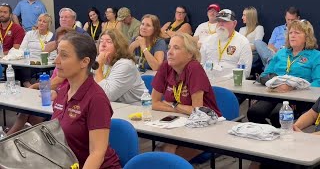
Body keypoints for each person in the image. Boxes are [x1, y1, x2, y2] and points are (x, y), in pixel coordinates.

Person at [51, 32, 121, 168]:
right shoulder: (63, 91)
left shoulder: (96, 99)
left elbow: (97, 153)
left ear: (84, 62)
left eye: (64, 55)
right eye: (57, 53)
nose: (56, 60)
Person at [151, 32, 221, 160]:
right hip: (179, 120)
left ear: (190, 54)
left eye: (176, 48)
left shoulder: (194, 68)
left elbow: (197, 111)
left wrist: (173, 104)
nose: (170, 52)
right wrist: (177, 108)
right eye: (169, 47)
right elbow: (155, 103)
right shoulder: (167, 65)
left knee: (167, 154)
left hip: (207, 125)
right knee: (159, 152)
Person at [247, 19, 320, 128]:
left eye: (297, 33)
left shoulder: (315, 56)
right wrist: (274, 84)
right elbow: (265, 74)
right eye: (290, 33)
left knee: (277, 115)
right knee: (254, 112)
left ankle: (280, 138)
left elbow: (318, 82)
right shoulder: (281, 53)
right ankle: (270, 135)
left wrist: (294, 88)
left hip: (297, 97)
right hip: (274, 92)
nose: (292, 35)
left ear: (307, 37)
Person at [6, 27, 73, 136]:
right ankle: (15, 136)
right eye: (59, 42)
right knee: (26, 110)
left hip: (61, 99)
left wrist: (34, 86)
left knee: (30, 111)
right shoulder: (59, 59)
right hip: (53, 95)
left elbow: (56, 82)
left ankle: (14, 136)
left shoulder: (68, 63)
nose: (60, 44)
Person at [95, 29, 146, 105]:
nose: (103, 45)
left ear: (118, 46)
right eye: (101, 41)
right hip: (115, 106)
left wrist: (98, 67)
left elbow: (107, 95)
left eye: (109, 42)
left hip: (136, 109)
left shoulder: (125, 65)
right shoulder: (101, 61)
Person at [200, 9, 252, 79]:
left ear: (234, 23)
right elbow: (200, 64)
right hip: (208, 82)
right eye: (218, 21)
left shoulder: (243, 42)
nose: (221, 24)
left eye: (225, 21)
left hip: (230, 84)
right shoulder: (208, 40)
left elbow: (245, 71)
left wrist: (223, 80)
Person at [18, 13, 53, 87]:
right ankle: (27, 84)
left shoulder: (51, 36)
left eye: (44, 21)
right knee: (19, 67)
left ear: (48, 25)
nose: (41, 23)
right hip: (28, 60)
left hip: (43, 62)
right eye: (40, 20)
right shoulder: (30, 34)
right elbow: (22, 48)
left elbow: (53, 54)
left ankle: (30, 86)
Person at [239, 6, 264, 77]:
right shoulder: (241, 29)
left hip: (253, 55)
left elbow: (257, 45)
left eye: (244, 15)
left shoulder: (259, 28)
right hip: (241, 53)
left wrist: (244, 48)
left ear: (250, 17)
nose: (242, 17)